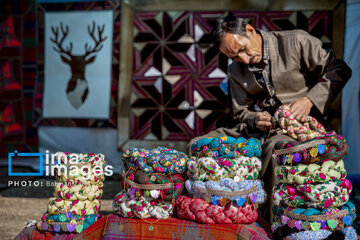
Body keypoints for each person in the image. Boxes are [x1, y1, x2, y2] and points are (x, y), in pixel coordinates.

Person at [187, 15, 352, 222]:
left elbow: (340, 69)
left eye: (242, 49)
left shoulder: (296, 41)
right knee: (199, 144)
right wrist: (255, 119)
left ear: (250, 30)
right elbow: (241, 112)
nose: (244, 60)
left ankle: (272, 224)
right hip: (262, 128)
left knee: (277, 149)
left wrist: (309, 101)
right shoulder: (236, 70)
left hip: (297, 127)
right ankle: (219, 213)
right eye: (236, 57)